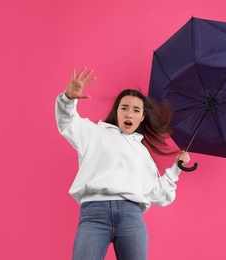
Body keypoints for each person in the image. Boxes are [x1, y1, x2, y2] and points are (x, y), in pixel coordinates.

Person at [55, 68, 190, 260]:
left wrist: (176, 167)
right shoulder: (94, 133)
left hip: (131, 218)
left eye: (136, 110)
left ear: (142, 117)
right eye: (124, 108)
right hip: (94, 215)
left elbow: (157, 194)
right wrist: (68, 99)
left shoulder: (142, 152)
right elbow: (67, 123)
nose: (129, 114)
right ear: (116, 111)